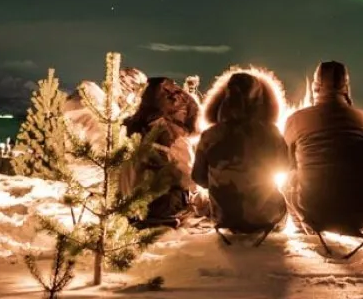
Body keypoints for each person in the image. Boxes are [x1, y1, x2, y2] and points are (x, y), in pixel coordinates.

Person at [283, 61, 363, 237]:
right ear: (346, 87)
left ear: (315, 87)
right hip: (361, 216)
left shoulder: (296, 119)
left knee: (288, 176)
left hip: (315, 214)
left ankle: (302, 228)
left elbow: (285, 162)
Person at [191, 71, 291, 236]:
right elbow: (284, 168)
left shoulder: (209, 135)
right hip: (267, 218)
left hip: (223, 218)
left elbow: (198, 177)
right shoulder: (271, 133)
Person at [120, 77, 202, 228]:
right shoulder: (173, 137)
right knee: (186, 193)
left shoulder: (128, 126)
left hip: (123, 203)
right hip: (154, 207)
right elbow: (190, 181)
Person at [61, 67, 147, 143]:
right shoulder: (108, 108)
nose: (125, 83)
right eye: (122, 78)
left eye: (132, 84)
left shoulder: (115, 115)